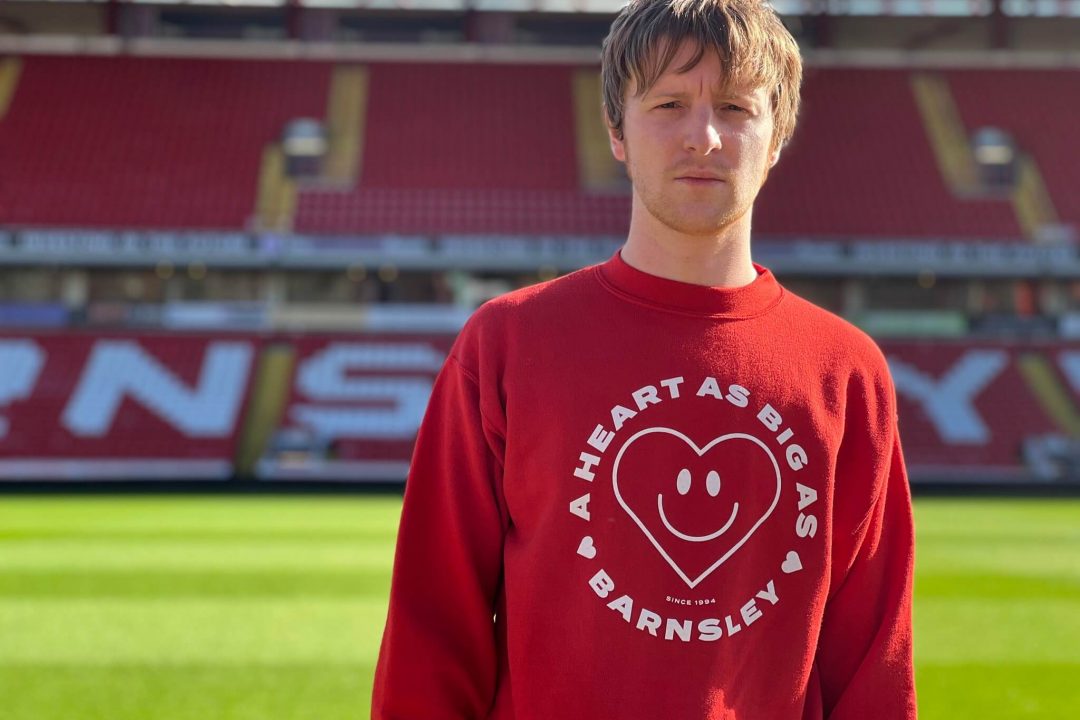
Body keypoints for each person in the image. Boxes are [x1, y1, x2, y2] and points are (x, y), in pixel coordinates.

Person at [372, 0, 917, 717]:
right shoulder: (507, 343)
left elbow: (873, 658)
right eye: (667, 103)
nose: (704, 136)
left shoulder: (846, 370)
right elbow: (431, 625)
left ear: (777, 135)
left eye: (734, 106)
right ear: (616, 131)